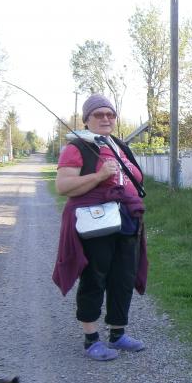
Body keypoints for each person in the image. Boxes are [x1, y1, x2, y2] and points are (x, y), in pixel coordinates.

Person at [52, 93, 148, 361]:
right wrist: (100, 176)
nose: (106, 118)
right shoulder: (78, 147)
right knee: (95, 276)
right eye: (98, 114)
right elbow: (63, 186)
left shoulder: (118, 145)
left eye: (110, 114)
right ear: (86, 119)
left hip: (126, 219)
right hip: (96, 221)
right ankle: (91, 339)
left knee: (123, 277)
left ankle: (118, 334)